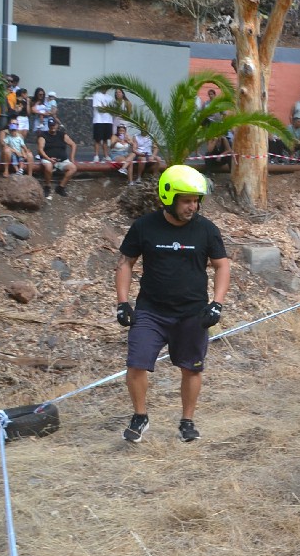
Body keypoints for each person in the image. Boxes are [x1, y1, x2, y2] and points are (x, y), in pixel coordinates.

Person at [116, 165, 231, 444]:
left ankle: (187, 422)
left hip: (192, 314)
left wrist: (216, 304)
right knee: (136, 364)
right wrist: (122, 302)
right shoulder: (144, 226)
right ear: (169, 198)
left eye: (196, 200)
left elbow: (222, 265)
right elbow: (125, 263)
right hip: (151, 311)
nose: (193, 207)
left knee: (192, 368)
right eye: (187, 201)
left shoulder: (206, 229)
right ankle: (140, 417)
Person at [37, 117, 77, 199]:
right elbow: (40, 149)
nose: (52, 127)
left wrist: (72, 158)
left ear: (57, 125)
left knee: (73, 168)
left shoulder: (62, 135)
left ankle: (61, 187)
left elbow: (73, 144)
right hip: (48, 158)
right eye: (51, 125)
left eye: (54, 125)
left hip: (62, 160)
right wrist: (48, 158)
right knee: (48, 167)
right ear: (48, 126)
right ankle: (47, 186)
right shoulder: (43, 135)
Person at [92, 87, 115, 162]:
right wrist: (108, 108)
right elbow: (99, 109)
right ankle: (96, 156)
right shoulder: (97, 95)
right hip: (99, 120)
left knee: (106, 139)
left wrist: (105, 107)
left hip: (108, 121)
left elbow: (113, 110)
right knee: (97, 139)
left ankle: (106, 155)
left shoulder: (110, 98)